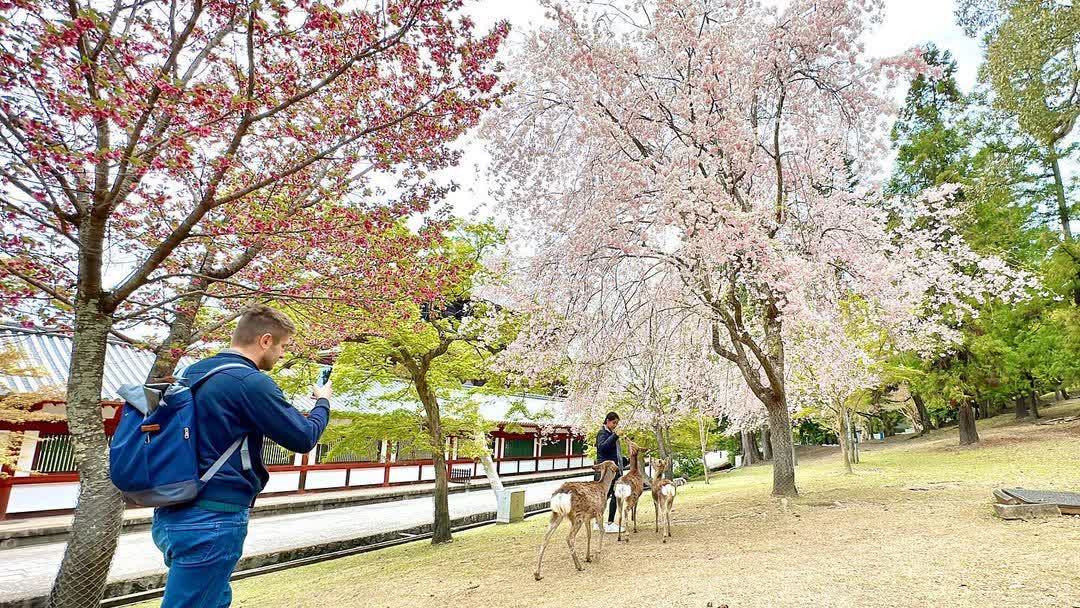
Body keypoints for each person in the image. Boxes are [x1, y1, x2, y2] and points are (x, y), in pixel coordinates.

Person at [151, 305, 333, 607]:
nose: (282, 354)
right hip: (213, 515)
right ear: (265, 340)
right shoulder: (248, 382)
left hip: (173, 510)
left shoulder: (190, 373)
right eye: (283, 346)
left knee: (211, 598)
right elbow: (303, 437)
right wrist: (322, 403)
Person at [594, 411, 628, 533]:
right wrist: (615, 436)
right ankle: (605, 523)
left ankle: (604, 522)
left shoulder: (610, 433)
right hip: (606, 471)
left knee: (613, 494)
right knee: (605, 496)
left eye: (617, 423)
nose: (615, 425)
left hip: (613, 470)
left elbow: (613, 453)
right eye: (614, 422)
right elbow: (602, 448)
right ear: (607, 421)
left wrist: (625, 460)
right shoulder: (602, 433)